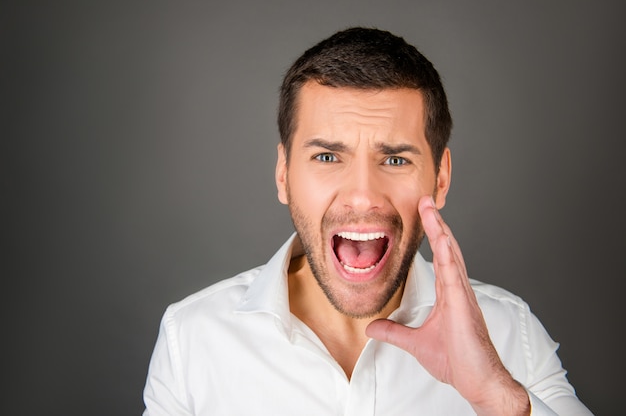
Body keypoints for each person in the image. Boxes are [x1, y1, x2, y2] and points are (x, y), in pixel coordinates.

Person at [142, 27, 592, 415]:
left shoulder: (510, 335)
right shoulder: (192, 340)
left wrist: (496, 395)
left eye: (395, 159)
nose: (362, 196)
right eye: (326, 156)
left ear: (441, 178)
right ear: (283, 175)